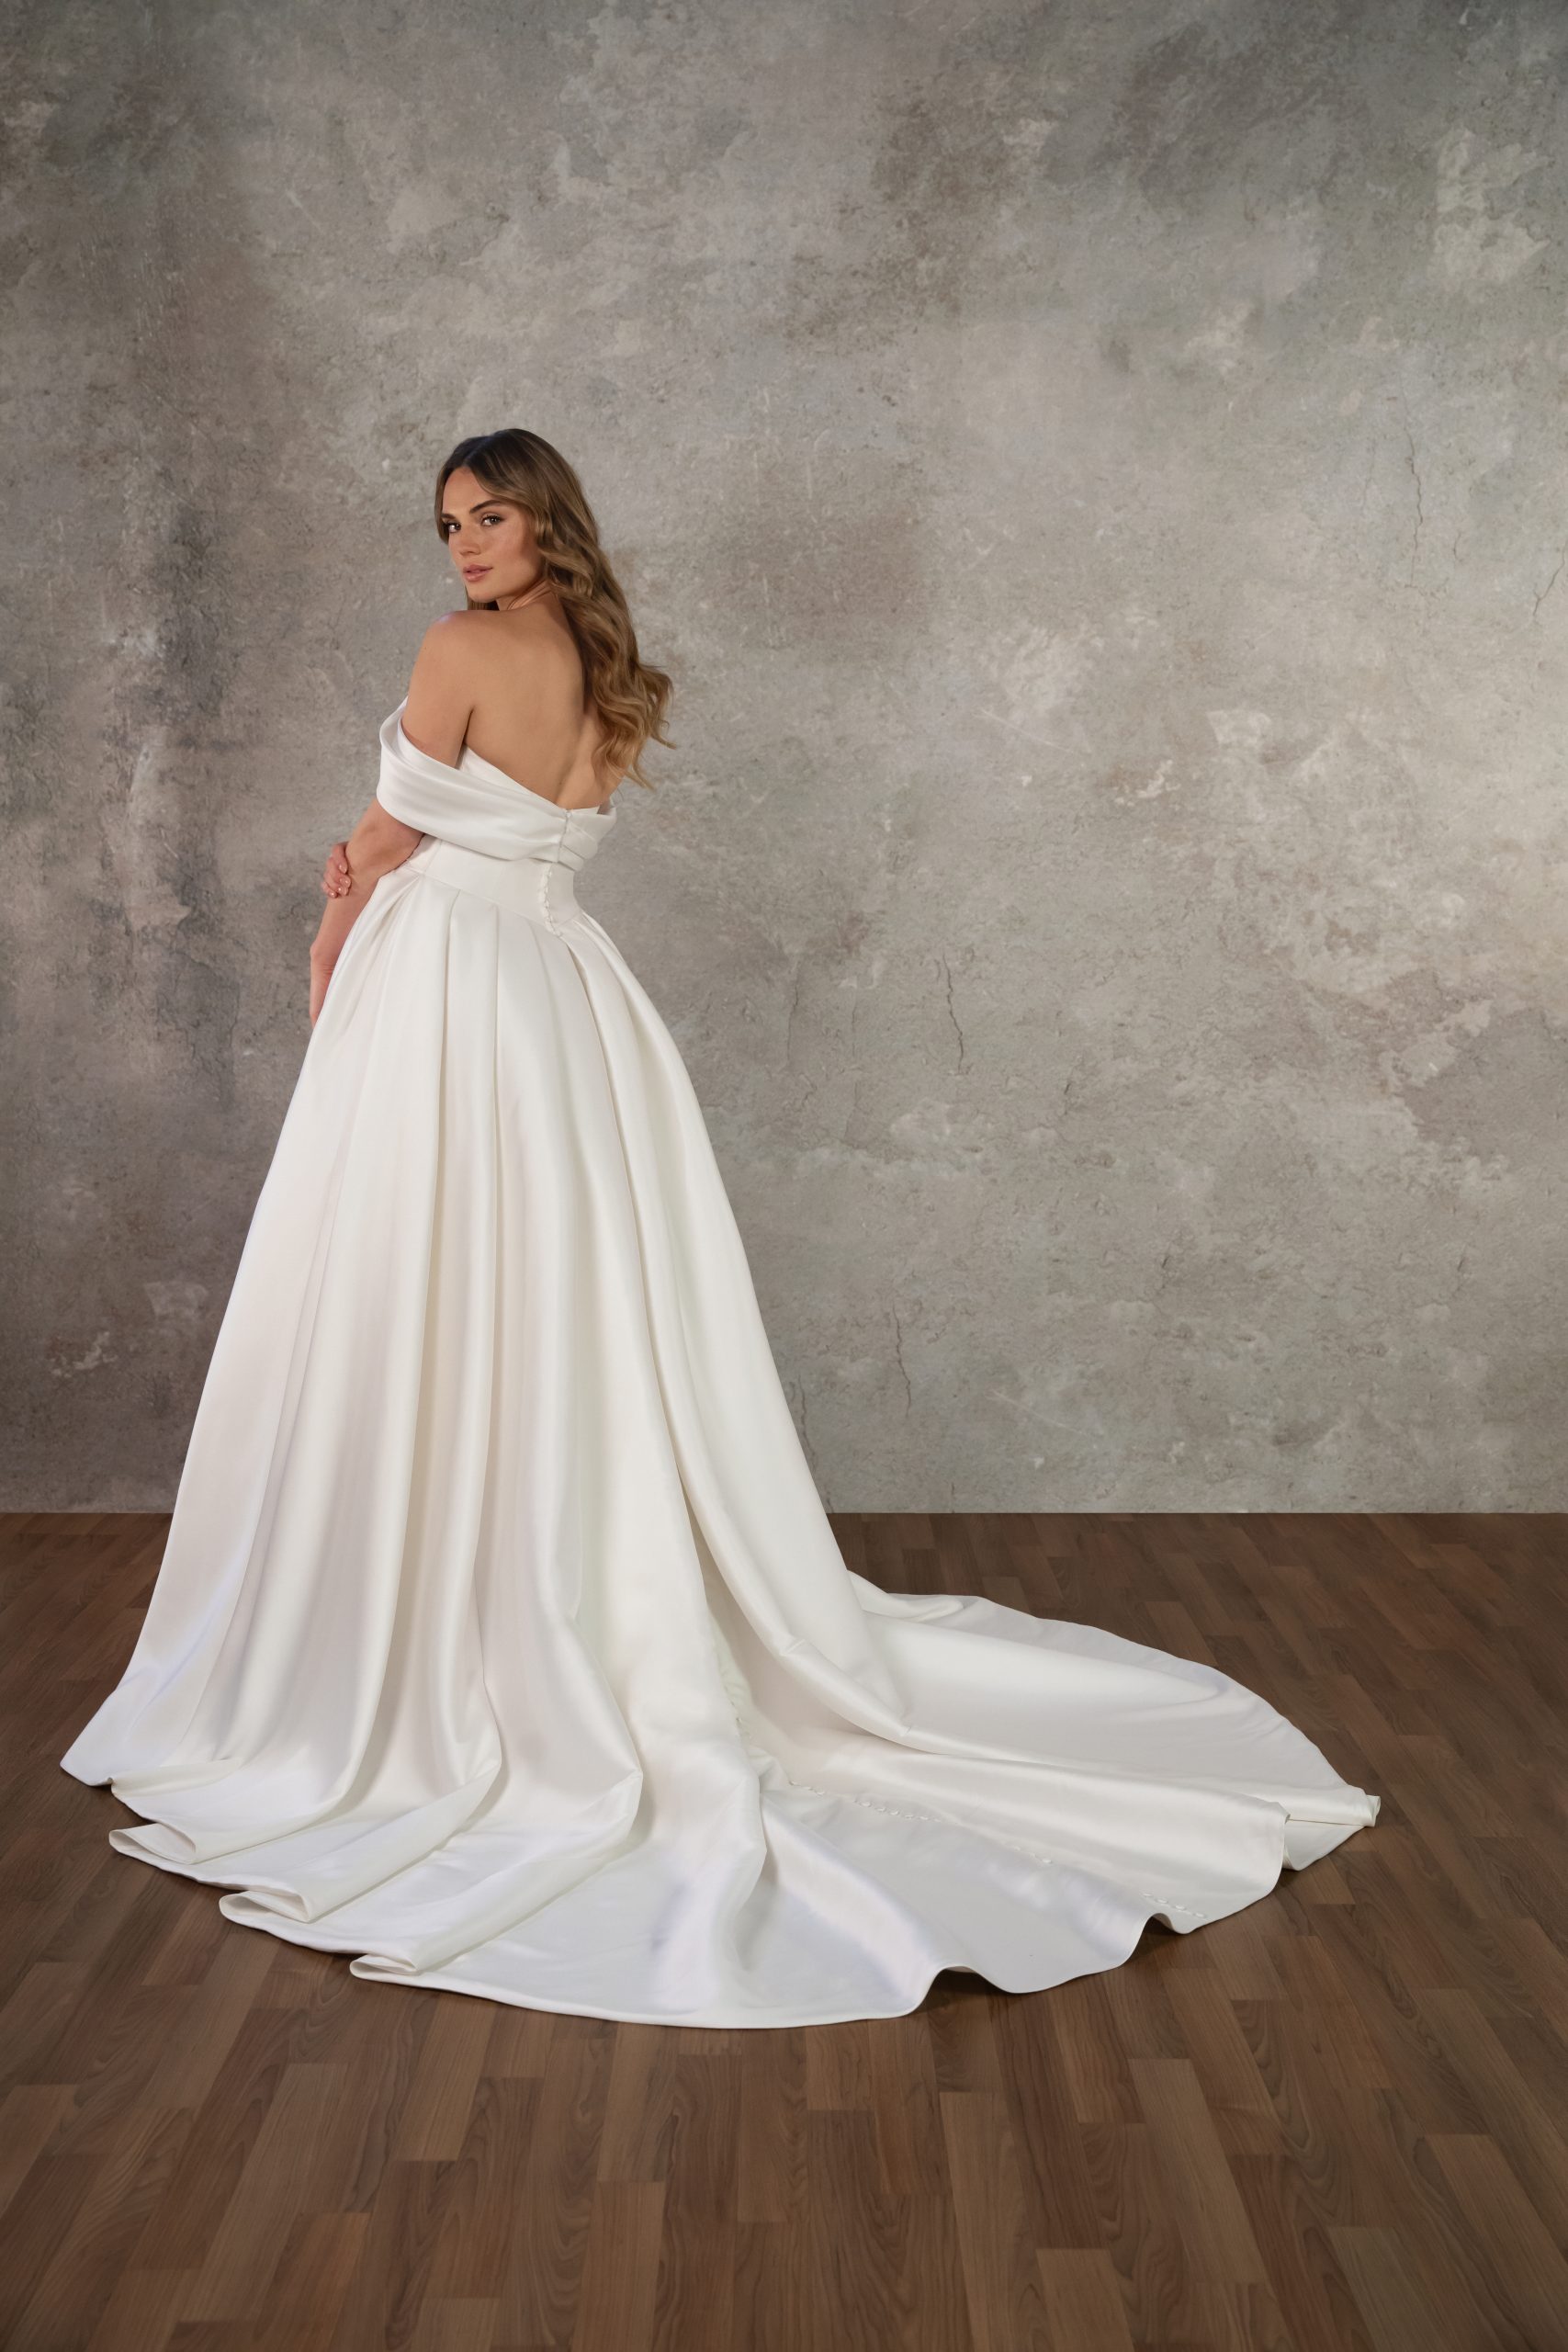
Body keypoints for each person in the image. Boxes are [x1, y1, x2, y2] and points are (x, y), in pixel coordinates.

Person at [60, 428, 1380, 2029]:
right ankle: (549, 1571)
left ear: (544, 521)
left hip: (453, 984)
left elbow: (397, 834)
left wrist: (333, 918)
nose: (465, 545)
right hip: (565, 996)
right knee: (554, 1297)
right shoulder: (607, 665)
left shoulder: (462, 650)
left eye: (491, 516)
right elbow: (537, 826)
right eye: (450, 524)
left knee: (423, 1283)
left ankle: (443, 1596)